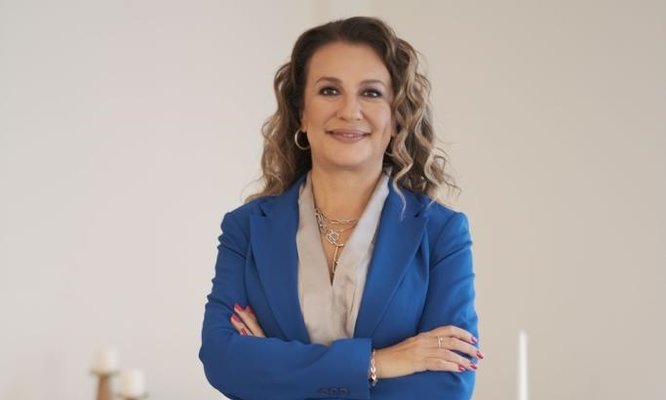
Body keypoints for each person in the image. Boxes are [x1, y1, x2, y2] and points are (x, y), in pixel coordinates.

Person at [199, 16, 482, 400]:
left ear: (397, 117)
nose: (350, 111)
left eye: (371, 93)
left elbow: (448, 385)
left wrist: (276, 371)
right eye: (329, 90)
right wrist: (377, 364)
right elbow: (223, 360)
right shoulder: (246, 228)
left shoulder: (440, 232)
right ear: (301, 112)